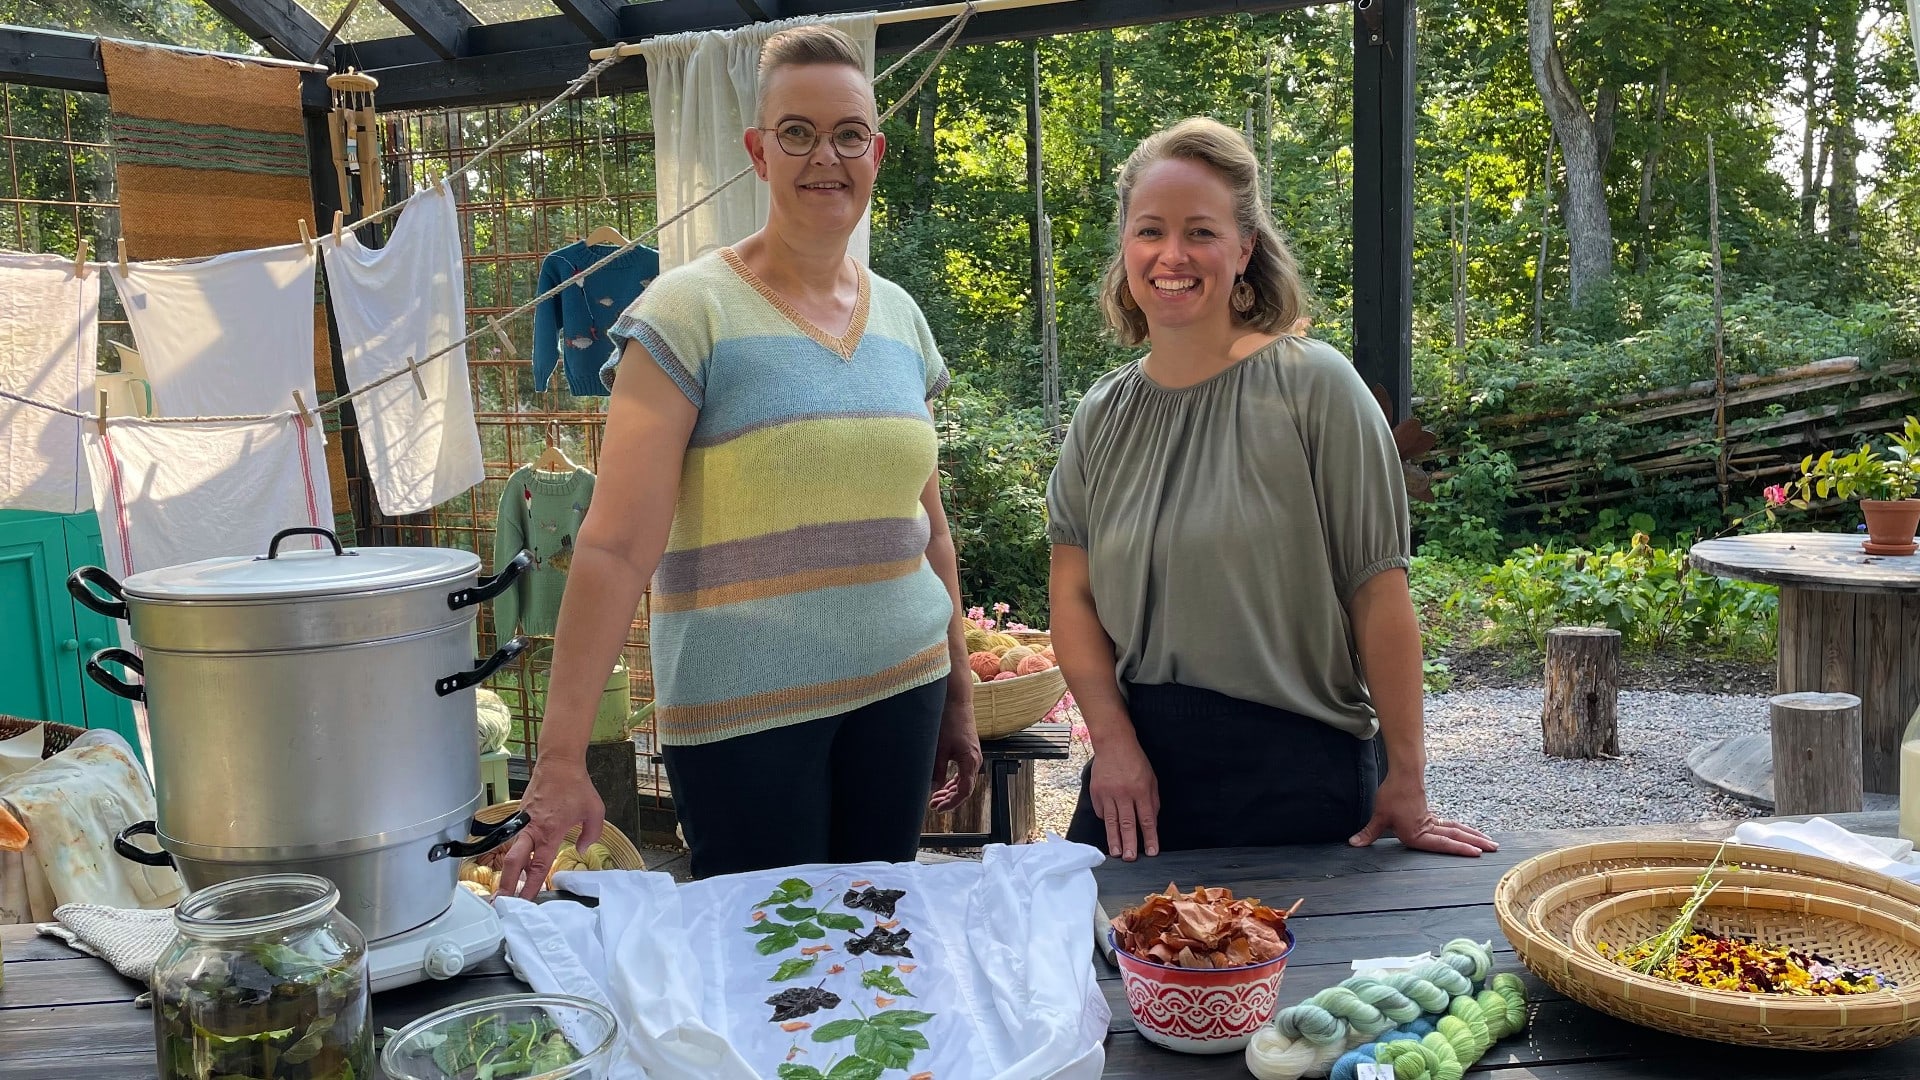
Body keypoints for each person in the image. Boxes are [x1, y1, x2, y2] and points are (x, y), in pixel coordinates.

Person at [497, 24, 980, 892]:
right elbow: (615, 546)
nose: (825, 156)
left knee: (877, 934)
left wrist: (959, 692)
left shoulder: (902, 317)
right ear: (759, 151)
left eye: (849, 134)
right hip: (745, 718)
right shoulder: (686, 312)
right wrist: (560, 758)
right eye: (798, 132)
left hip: (904, 691)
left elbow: (929, 528)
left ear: (875, 154)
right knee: (768, 949)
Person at [1047, 117, 1495, 862]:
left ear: (1245, 248)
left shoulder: (1316, 388)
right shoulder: (1102, 414)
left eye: (1201, 232)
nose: (1172, 255)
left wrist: (1409, 778)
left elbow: (1378, 593)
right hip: (1138, 779)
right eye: (1150, 231)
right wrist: (1114, 743)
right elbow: (1073, 597)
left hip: (1298, 774)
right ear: (1125, 244)